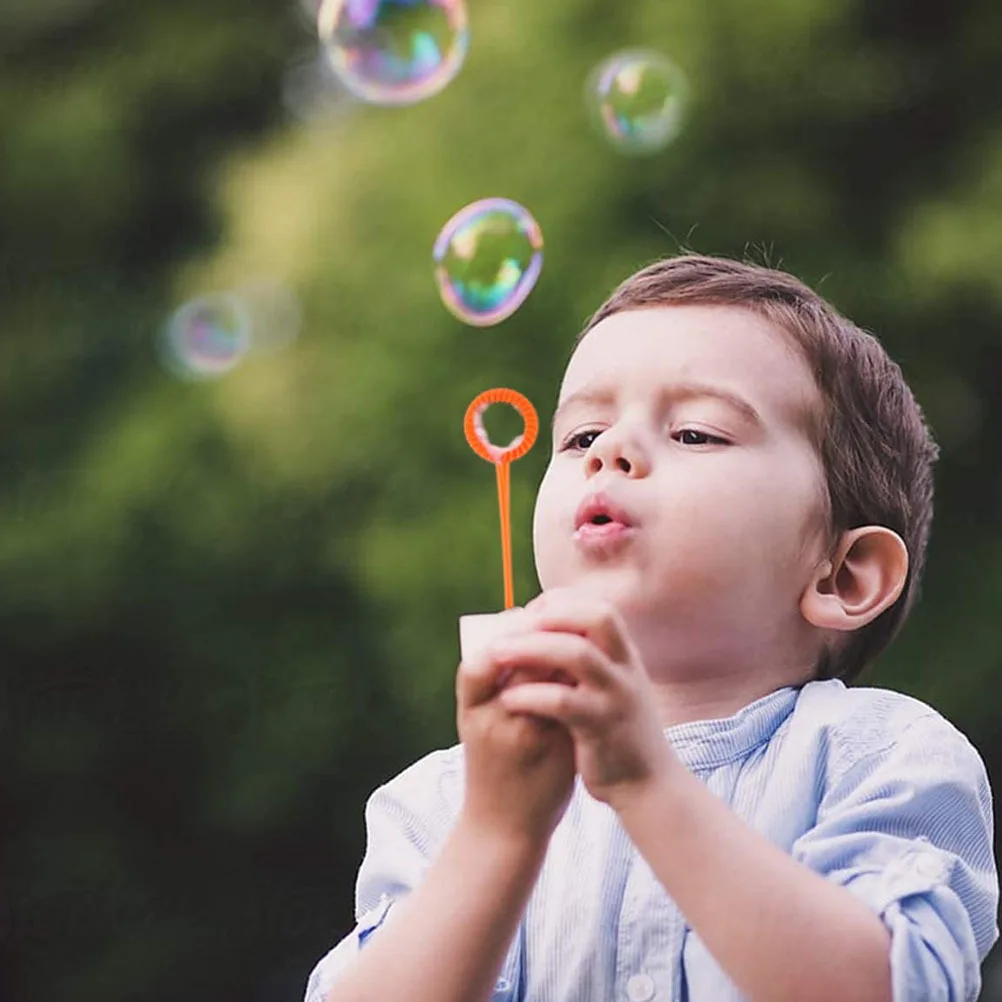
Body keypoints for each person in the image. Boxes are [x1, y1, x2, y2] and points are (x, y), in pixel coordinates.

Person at [303, 254, 999, 1002]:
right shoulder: (445, 802)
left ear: (843, 575)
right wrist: (497, 836)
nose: (610, 452)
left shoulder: (877, 757)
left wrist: (646, 782)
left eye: (697, 432)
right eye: (579, 437)